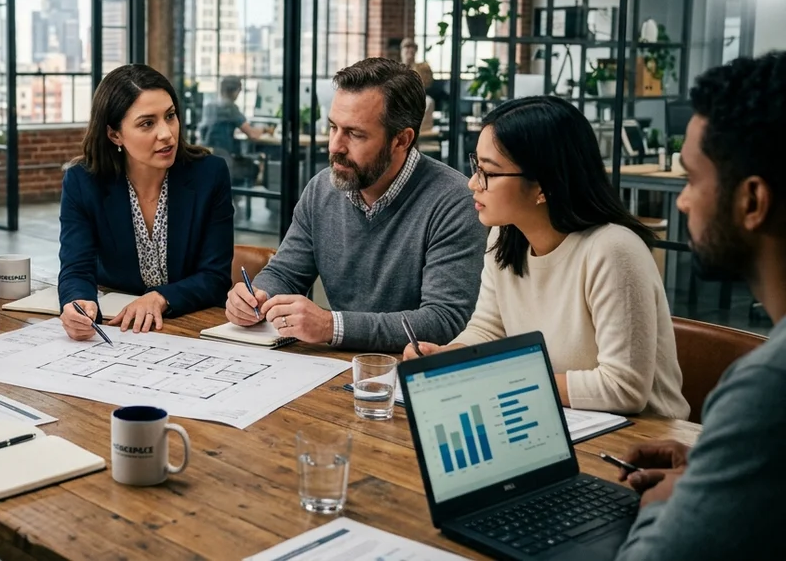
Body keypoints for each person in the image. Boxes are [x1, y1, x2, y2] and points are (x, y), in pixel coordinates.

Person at [401, 96, 688, 419]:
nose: (472, 183)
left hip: (645, 444)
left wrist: (499, 378)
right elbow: (488, 330)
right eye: (475, 166)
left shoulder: (612, 251)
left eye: (489, 173)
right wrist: (448, 358)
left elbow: (623, 388)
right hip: (557, 417)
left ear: (542, 186)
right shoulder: (506, 235)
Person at [614, 53, 786, 559]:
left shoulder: (769, 385)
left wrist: (669, 501)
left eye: (690, 179)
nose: (683, 202)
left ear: (751, 201)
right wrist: (720, 466)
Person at [226, 58, 487, 351]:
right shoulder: (322, 189)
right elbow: (285, 273)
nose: (335, 146)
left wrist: (331, 326)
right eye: (334, 127)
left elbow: (443, 321)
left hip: (409, 377)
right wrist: (254, 297)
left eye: (355, 134)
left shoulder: (455, 202)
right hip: (330, 367)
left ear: (401, 140)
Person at [59, 64, 234, 340]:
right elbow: (76, 267)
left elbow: (215, 277)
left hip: (193, 327)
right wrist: (77, 303)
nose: (166, 133)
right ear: (114, 134)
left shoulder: (209, 175)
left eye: (170, 116)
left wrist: (161, 298)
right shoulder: (83, 182)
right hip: (119, 329)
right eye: (147, 123)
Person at [197, 76, 270, 155]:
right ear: (236, 91)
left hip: (206, 153)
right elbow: (252, 134)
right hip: (222, 155)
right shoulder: (230, 107)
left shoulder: (210, 105)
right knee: (259, 159)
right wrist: (266, 130)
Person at [401, 37, 437, 135]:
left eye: (411, 49)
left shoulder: (421, 69)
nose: (409, 52)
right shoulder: (396, 70)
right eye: (406, 48)